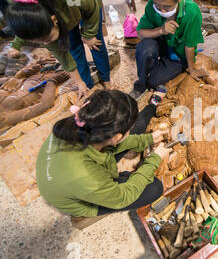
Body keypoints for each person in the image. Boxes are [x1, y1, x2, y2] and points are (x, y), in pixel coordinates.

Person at [36, 90, 171, 218]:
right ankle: (123, 178)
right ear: (116, 138)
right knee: (154, 188)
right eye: (127, 131)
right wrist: (155, 158)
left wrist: (150, 138)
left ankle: (151, 106)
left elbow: (115, 141)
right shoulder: (87, 177)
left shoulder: (84, 121)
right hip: (81, 197)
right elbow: (122, 198)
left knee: (139, 126)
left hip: (73, 172)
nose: (129, 131)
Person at [1, 0, 111, 98]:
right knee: (73, 46)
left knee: (96, 42)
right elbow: (62, 54)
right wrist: (79, 82)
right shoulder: (25, 11)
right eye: (41, 41)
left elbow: (92, 8)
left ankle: (106, 81)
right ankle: (87, 87)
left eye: (47, 39)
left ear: (54, 20)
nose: (46, 44)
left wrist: (89, 34)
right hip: (54, 11)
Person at [129, 0, 205, 100]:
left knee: (154, 82)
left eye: (167, 7)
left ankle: (158, 69)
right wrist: (161, 30)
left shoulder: (192, 12)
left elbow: (189, 46)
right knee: (145, 48)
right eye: (157, 6)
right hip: (161, 44)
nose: (162, 11)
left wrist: (191, 69)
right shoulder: (151, 5)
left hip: (177, 55)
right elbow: (140, 33)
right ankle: (140, 85)